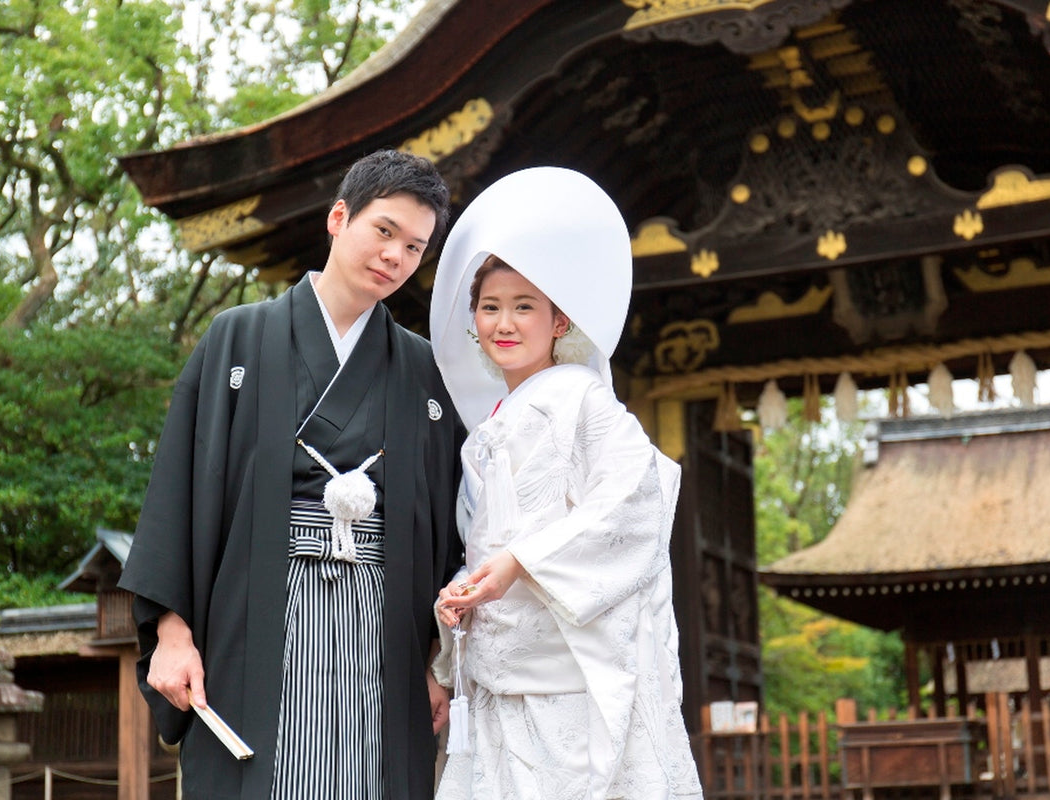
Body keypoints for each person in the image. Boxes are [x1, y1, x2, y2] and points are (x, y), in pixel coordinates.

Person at [118, 149, 465, 800]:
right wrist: (170, 632)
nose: (395, 255)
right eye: (383, 230)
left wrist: (438, 665)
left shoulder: (424, 371)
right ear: (340, 218)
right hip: (254, 620)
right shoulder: (236, 341)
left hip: (382, 632)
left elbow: (452, 529)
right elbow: (174, 494)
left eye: (415, 247)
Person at [427, 166, 703, 799]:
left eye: (525, 306)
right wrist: (460, 611)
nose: (505, 322)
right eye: (491, 307)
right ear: (473, 322)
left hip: (566, 677)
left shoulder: (583, 399)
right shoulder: (483, 431)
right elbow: (482, 545)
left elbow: (635, 497)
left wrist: (519, 563)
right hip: (499, 681)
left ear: (558, 322)